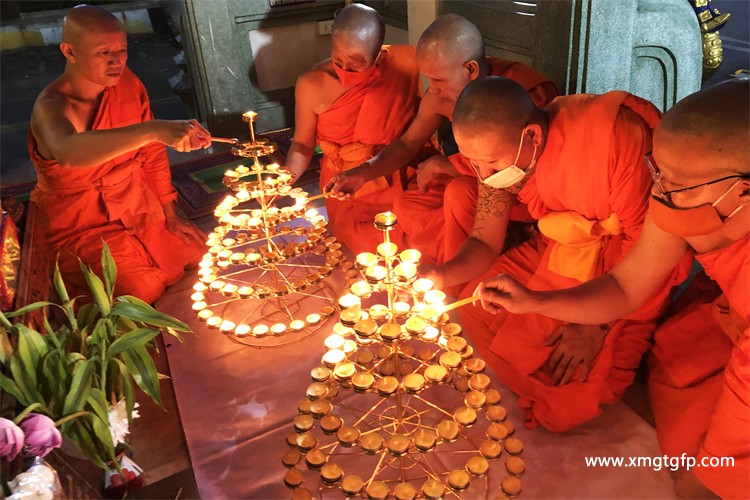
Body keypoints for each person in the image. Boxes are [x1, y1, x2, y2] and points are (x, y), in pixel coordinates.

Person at [476, 79, 749, 499]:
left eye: (679, 186)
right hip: (724, 313)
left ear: (744, 192)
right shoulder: (673, 199)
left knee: (707, 473)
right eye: (659, 173)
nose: (660, 194)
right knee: (682, 447)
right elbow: (625, 284)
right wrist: (537, 302)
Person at [439, 76, 690, 433]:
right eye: (475, 163)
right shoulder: (495, 159)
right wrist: (436, 275)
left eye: (492, 164)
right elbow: (483, 241)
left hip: (629, 263)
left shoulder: (612, 138)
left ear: (533, 136)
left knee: (570, 401)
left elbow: (650, 253)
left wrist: (595, 327)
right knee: (473, 311)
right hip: (562, 247)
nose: (485, 175)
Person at [324, 14, 557, 263]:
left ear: (471, 69)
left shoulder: (521, 93)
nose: (431, 89)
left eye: (437, 80)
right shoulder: (440, 96)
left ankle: (472, 265)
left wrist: (447, 165)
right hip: (470, 176)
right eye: (427, 78)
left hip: (512, 189)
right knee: (408, 203)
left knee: (457, 194)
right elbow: (407, 144)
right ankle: (453, 263)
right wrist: (363, 173)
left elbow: (531, 171)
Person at [28, 5, 211, 304]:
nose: (116, 62)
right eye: (103, 53)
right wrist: (153, 129)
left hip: (134, 203)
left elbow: (150, 154)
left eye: (122, 50)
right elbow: (68, 153)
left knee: (199, 253)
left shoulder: (127, 83)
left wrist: (170, 215)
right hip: (79, 222)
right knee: (141, 291)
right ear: (69, 52)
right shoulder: (52, 106)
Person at [285, 3, 421, 254]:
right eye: (338, 59)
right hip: (344, 184)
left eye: (356, 63)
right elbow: (302, 144)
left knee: (428, 229)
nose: (345, 70)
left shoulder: (405, 64)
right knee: (375, 244)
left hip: (396, 169)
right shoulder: (312, 83)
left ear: (379, 55)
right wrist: (283, 182)